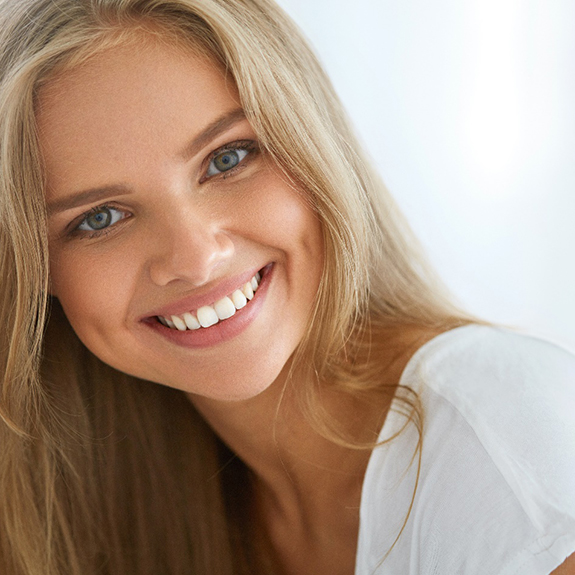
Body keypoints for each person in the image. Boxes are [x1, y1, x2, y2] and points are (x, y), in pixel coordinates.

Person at [0, 0, 573, 574]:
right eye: (99, 217)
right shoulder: (108, 503)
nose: (196, 259)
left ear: (313, 144)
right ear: (35, 271)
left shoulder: (513, 456)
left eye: (227, 158)